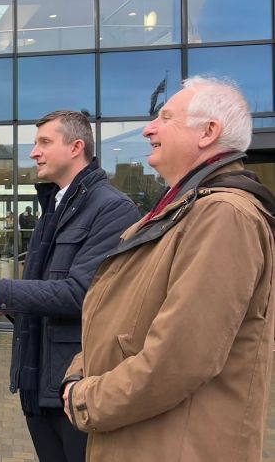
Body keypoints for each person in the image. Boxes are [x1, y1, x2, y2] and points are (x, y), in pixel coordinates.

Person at [61, 77, 275, 461]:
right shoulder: (181, 211)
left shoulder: (223, 215)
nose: (148, 128)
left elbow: (179, 359)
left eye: (165, 117)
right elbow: (121, 320)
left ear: (208, 132)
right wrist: (81, 370)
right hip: (143, 437)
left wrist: (87, 398)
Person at [0, 110, 140, 462]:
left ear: (77, 147)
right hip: (39, 383)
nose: (34, 152)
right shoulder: (56, 205)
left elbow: (84, 294)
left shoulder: (112, 209)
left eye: (44, 142)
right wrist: (14, 307)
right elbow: (47, 290)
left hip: (74, 386)